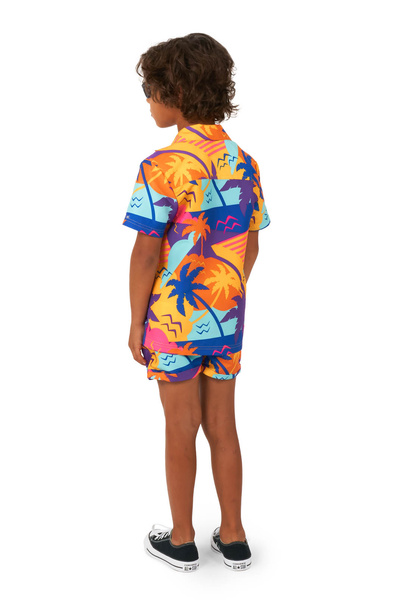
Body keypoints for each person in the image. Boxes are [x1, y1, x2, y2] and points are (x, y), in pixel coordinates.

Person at [122, 33, 270, 572]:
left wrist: (136, 322)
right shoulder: (244, 162)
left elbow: (146, 253)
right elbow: (251, 244)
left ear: (177, 93)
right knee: (223, 426)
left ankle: (182, 540)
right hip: (226, 316)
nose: (148, 100)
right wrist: (226, 290)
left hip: (173, 321)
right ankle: (234, 536)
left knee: (179, 428)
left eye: (152, 90)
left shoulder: (162, 166)